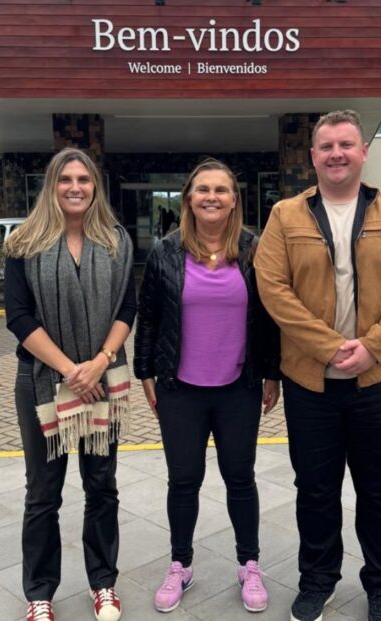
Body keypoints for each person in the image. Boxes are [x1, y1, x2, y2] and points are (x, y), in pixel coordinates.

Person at [254, 110, 381, 621]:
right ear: (312, 156)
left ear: (363, 152)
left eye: (346, 144)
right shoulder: (286, 216)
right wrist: (328, 346)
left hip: (377, 380)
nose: (336, 153)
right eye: (326, 145)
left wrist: (375, 345)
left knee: (380, 491)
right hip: (310, 382)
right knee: (314, 490)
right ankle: (318, 580)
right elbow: (273, 288)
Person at [134, 158, 281, 614]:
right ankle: (180, 564)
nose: (211, 197)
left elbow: (271, 317)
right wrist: (145, 374)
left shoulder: (256, 250)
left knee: (240, 479)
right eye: (202, 189)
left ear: (234, 199)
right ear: (188, 199)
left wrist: (272, 372)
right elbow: (150, 318)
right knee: (183, 481)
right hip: (181, 388)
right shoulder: (165, 252)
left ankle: (249, 564)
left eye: (221, 189)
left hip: (238, 386)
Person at [4, 148, 135, 621]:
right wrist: (70, 371)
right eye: (65, 179)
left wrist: (99, 363)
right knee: (43, 492)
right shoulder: (24, 244)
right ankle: (40, 592)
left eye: (83, 179)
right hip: (43, 381)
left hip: (101, 379)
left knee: (101, 486)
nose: (75, 187)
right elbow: (18, 318)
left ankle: (103, 583)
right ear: (52, 186)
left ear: (95, 186)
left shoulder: (116, 241)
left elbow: (126, 309)